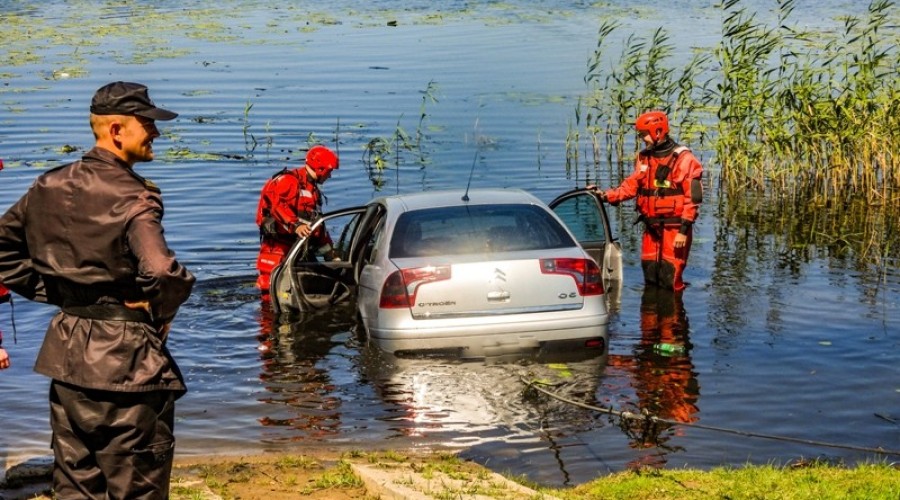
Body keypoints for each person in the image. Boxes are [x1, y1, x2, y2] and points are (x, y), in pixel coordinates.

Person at [0, 81, 195, 499]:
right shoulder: (135, 197)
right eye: (147, 123)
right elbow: (162, 271)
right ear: (117, 130)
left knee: (76, 483)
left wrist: (59, 294)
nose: (156, 132)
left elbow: (4, 249)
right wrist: (158, 313)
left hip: (68, 353)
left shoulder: (47, 185)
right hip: (128, 363)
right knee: (138, 486)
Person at [594, 110, 703, 292]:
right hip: (651, 229)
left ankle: (674, 310)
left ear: (658, 132)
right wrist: (605, 196)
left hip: (675, 230)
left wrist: (683, 231)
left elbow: (693, 199)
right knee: (650, 276)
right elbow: (631, 187)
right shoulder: (644, 157)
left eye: (643, 134)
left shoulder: (684, 159)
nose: (641, 139)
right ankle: (650, 311)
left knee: (670, 277)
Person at [255, 144, 339, 292]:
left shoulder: (312, 190)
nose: (330, 176)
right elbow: (277, 206)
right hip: (277, 248)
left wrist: (331, 255)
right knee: (270, 290)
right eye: (329, 171)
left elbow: (317, 226)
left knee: (306, 287)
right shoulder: (288, 181)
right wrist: (296, 225)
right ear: (321, 169)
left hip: (298, 248)